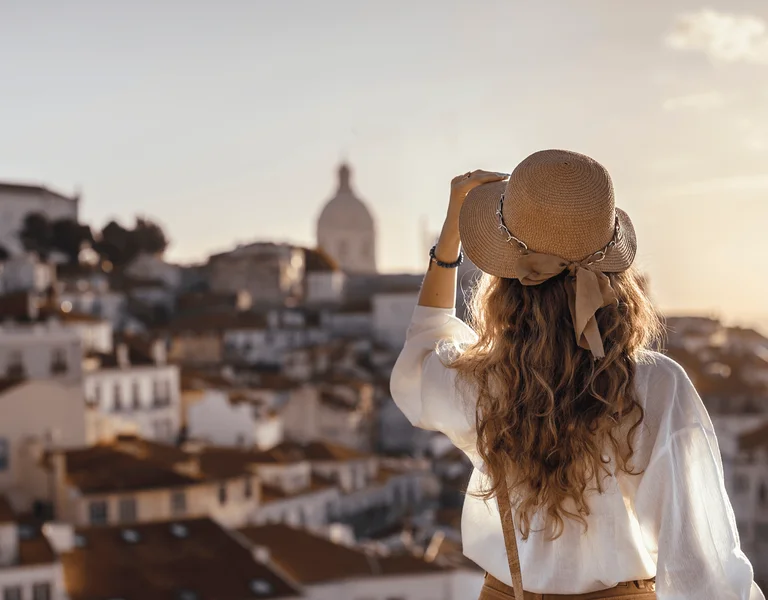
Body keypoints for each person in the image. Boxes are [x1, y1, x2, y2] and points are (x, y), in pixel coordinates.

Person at [390, 150, 764, 600]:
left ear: (504, 280)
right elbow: (701, 564)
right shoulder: (657, 385)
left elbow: (419, 357)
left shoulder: (479, 382)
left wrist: (451, 233)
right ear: (613, 272)